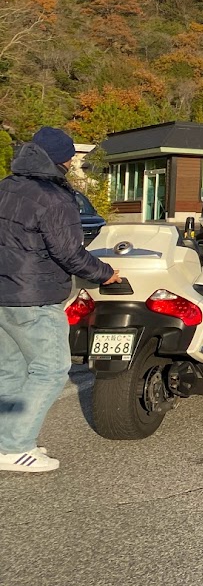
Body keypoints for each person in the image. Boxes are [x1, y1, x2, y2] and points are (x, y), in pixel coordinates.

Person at [0, 127, 121, 473]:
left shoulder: (6, 187)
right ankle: (15, 447)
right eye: (70, 157)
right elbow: (69, 253)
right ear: (60, 160)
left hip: (4, 296)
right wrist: (105, 273)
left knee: (10, 371)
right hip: (34, 297)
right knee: (51, 370)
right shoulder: (53, 196)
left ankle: (5, 440)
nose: (72, 162)